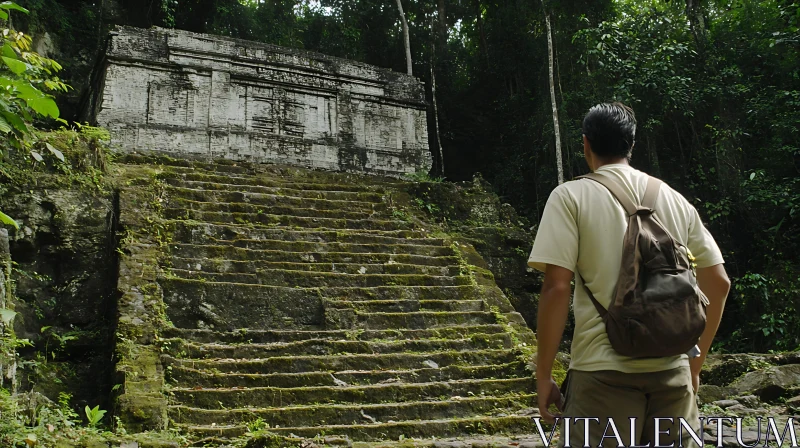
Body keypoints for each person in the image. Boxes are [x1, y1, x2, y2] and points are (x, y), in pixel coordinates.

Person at [528, 102, 731, 447]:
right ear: (631, 144)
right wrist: (694, 368)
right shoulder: (674, 198)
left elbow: (557, 287)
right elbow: (719, 283)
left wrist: (544, 374)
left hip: (602, 377)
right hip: (673, 374)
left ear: (586, 145)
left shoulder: (570, 197)